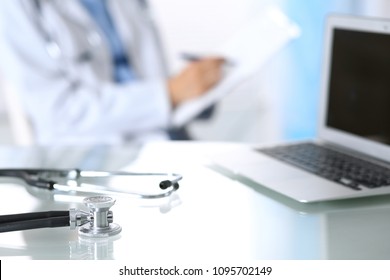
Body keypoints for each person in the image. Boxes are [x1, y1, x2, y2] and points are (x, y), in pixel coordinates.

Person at [0, 0, 225, 145]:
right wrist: (167, 94)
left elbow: (147, 74)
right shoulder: (14, 7)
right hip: (91, 157)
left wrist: (196, 87)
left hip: (169, 142)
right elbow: (58, 111)